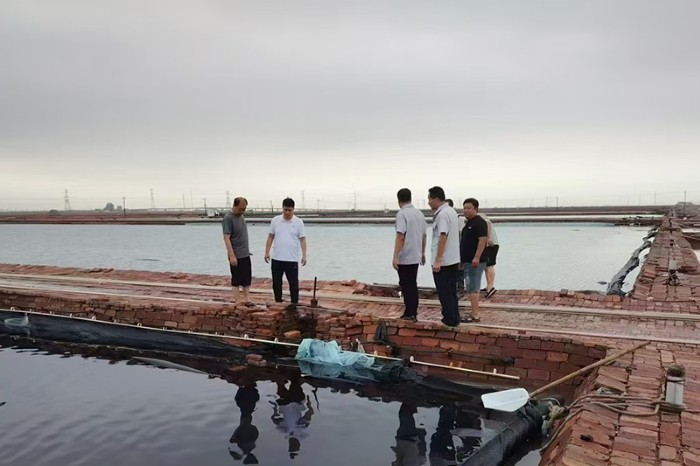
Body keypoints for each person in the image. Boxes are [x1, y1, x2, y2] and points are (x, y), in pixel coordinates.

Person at [264, 198, 307, 311]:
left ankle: (294, 304)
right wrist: (267, 252)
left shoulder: (298, 222)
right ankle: (278, 302)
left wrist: (304, 255)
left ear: (293, 210)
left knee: (293, 284)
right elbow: (270, 236)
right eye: (285, 210)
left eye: (289, 210)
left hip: (291, 259)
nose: (287, 212)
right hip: (277, 258)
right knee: (276, 283)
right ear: (282, 209)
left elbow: (302, 239)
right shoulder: (275, 220)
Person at [392, 188, 428, 321]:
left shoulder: (402, 214)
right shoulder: (419, 214)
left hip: (405, 255)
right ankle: (413, 311)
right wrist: (422, 252)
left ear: (398, 200)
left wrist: (395, 256)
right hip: (416, 254)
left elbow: (400, 236)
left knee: (406, 284)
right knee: (412, 283)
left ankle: (409, 312)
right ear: (410, 198)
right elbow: (424, 235)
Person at [428, 187, 461, 327]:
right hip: (452, 259)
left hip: (444, 261)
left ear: (436, 199)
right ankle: (455, 317)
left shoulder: (442, 215)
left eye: (429, 199)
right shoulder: (451, 211)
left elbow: (443, 236)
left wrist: (437, 260)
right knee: (452, 290)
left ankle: (449, 318)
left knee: (444, 291)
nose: (428, 202)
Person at [270, 376, 314, 459]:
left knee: (280, 385)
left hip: (285, 404)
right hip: (296, 402)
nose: (292, 444)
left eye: (291, 446)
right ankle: (296, 380)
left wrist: (274, 410)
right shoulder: (301, 430)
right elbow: (309, 414)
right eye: (294, 446)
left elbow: (275, 420)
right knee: (294, 383)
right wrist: (309, 404)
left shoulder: (285, 430)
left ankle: (282, 378)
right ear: (298, 445)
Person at [460, 198, 488, 323]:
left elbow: (482, 240)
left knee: (473, 286)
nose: (466, 210)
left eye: (469, 208)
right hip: (467, 261)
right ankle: (473, 311)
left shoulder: (479, 223)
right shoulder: (468, 223)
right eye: (464, 208)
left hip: (476, 261)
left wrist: (476, 257)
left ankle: (475, 314)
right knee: (470, 286)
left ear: (476, 209)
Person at [223, 197, 252, 304]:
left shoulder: (241, 216)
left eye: (244, 209)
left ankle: (247, 299)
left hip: (245, 253)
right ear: (235, 206)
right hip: (236, 254)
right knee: (236, 279)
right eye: (241, 209)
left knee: (247, 278)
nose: (242, 211)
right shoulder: (228, 218)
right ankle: (237, 300)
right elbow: (226, 237)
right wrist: (231, 255)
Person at [229, 377, 260, 464]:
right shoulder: (245, 438)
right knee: (245, 418)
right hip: (246, 412)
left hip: (246, 413)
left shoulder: (250, 437)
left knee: (245, 418)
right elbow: (232, 439)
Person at [392, 402, 427, 466]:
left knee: (405, 414)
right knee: (405, 414)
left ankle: (412, 402)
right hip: (407, 439)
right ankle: (412, 401)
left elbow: (422, 458)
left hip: (405, 439)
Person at [446, 199, 467, 293]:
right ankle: (452, 288)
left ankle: (460, 288)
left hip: (458, 248)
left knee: (460, 269)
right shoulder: (445, 218)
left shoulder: (459, 219)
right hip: (449, 249)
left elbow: (462, 235)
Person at [479, 212, 499, 298]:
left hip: (491, 244)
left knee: (489, 265)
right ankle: (488, 286)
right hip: (488, 244)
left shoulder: (479, 216)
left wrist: (489, 237)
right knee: (486, 266)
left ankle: (491, 287)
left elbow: (488, 223)